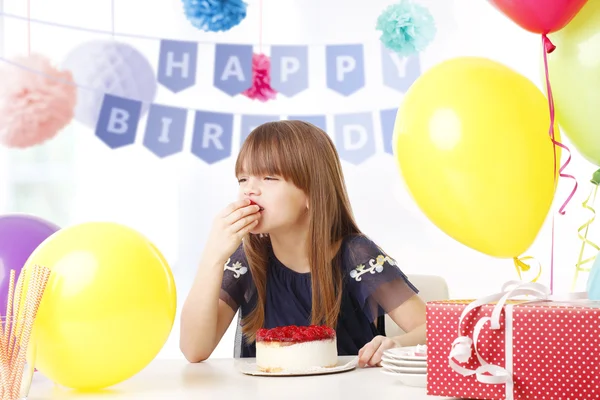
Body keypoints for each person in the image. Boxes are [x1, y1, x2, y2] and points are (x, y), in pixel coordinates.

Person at [180, 120, 426, 368]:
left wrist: (399, 344)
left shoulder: (355, 256)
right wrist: (213, 256)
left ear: (311, 192)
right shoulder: (247, 260)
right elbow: (194, 349)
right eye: (242, 179)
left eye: (268, 177)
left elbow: (433, 329)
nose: (250, 190)